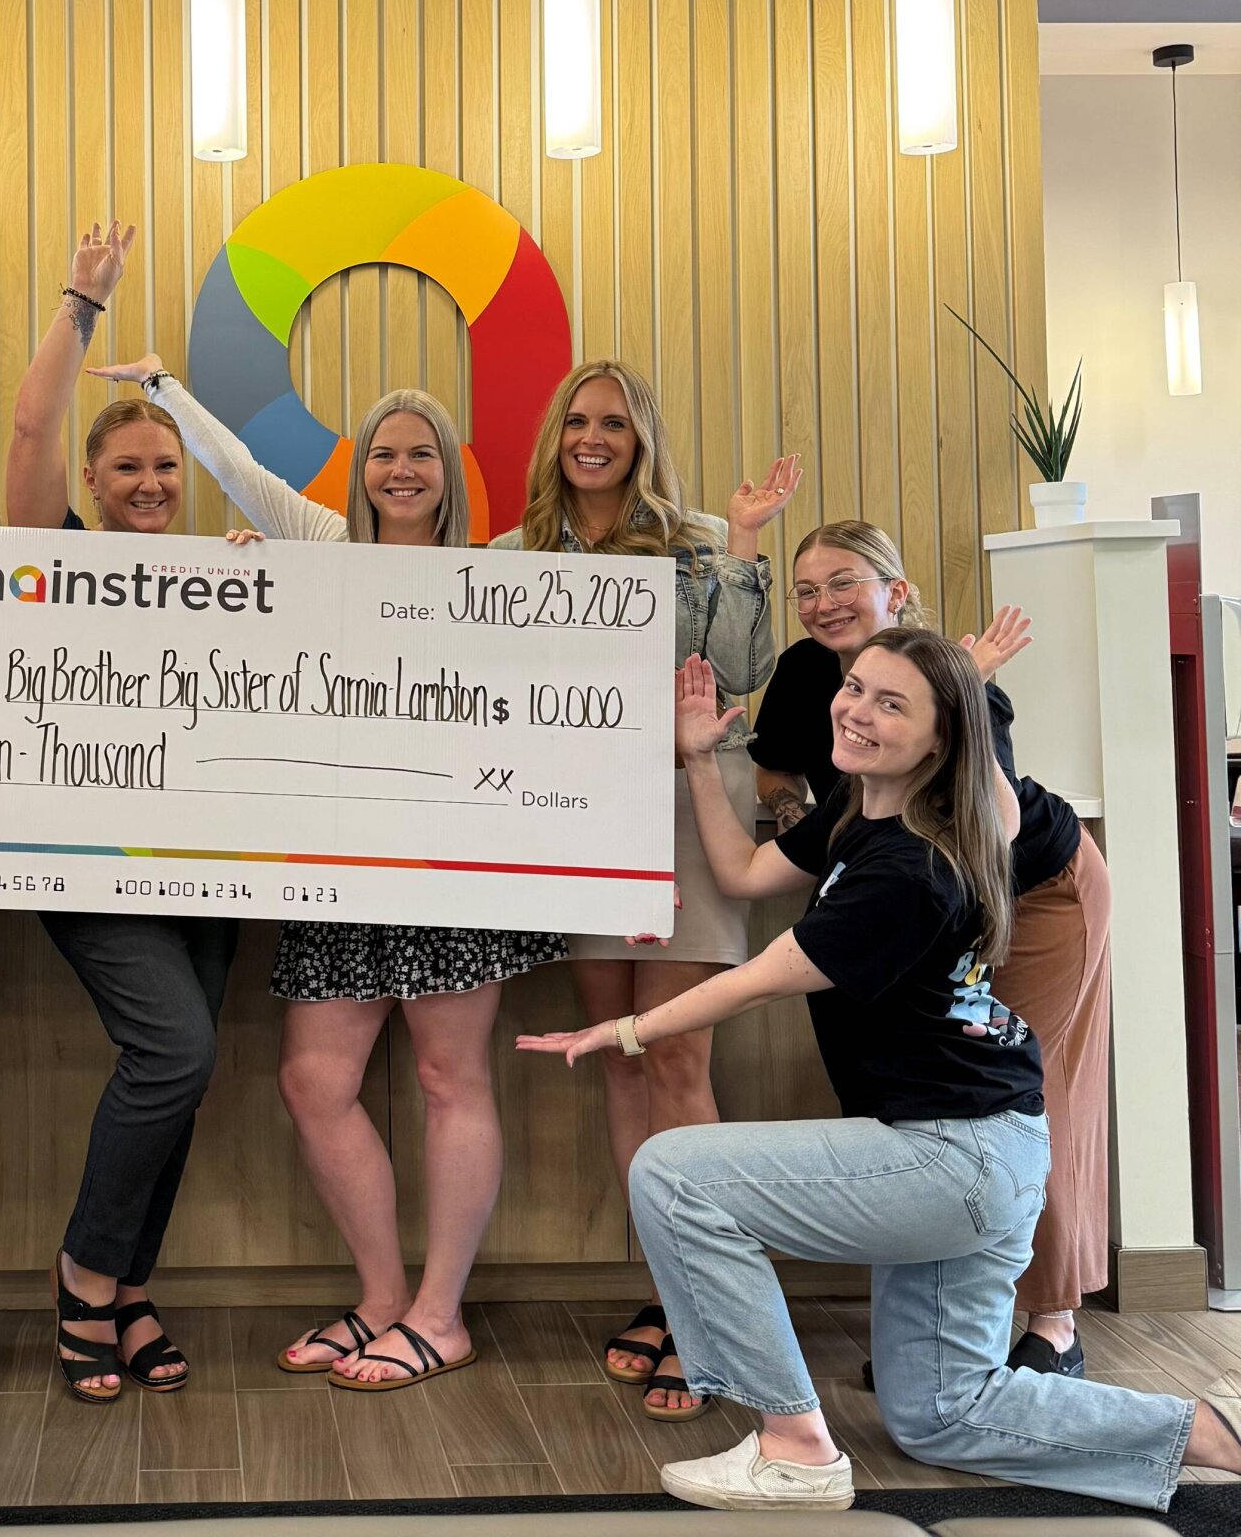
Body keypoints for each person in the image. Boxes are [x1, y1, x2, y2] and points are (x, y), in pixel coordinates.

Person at [518, 632, 1241, 1512]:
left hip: (955, 1157)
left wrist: (623, 1030)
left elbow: (761, 980)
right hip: (986, 1149)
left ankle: (794, 1445)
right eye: (855, 688)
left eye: (891, 704)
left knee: (673, 1173)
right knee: (943, 1412)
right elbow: (746, 873)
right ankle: (1201, 1432)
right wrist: (702, 760)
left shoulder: (911, 865)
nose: (856, 710)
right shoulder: (870, 807)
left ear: (940, 739)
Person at [91, 350, 561, 1392]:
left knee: (448, 1077)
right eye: (384, 451)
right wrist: (168, 388)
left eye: (420, 452)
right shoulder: (316, 539)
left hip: (449, 861)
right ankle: (383, 1298)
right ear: (360, 469)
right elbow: (236, 467)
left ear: (450, 470)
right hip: (337, 862)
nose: (400, 468)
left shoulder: (502, 567)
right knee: (314, 1079)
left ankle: (440, 1314)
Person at [489, 358, 799, 1419]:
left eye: (611, 422)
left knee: (675, 1053)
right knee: (615, 1059)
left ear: (639, 436)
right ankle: (665, 1290)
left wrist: (750, 544)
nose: (590, 437)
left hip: (680, 811)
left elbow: (742, 668)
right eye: (573, 419)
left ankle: (704, 1310)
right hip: (570, 820)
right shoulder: (510, 552)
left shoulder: (697, 539)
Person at [749, 520, 1111, 1377]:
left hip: (1037, 894)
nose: (823, 602)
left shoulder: (952, 678)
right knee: (921, 1098)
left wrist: (964, 691)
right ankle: (937, 1330)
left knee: (1020, 1089)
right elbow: (774, 771)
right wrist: (815, 827)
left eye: (845, 582)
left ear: (895, 591)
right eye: (807, 588)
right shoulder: (809, 673)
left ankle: (1054, 1321)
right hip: (926, 904)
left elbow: (995, 825)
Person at [1, 222, 239, 1403]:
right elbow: (30, 427)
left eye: (164, 468)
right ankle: (86, 1270)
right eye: (128, 469)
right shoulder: (57, 557)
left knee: (182, 1072)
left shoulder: (215, 571)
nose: (149, 483)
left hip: (209, 868)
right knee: (174, 1047)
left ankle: (132, 1287)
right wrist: (79, 300)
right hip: (86, 872)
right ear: (92, 486)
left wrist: (266, 593)